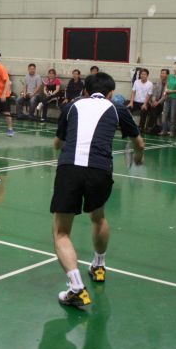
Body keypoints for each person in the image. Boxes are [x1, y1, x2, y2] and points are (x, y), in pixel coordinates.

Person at [51, 72, 144, 308]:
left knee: (61, 232)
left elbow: (57, 143)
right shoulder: (118, 109)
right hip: (100, 170)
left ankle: (76, 288)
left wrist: (61, 146)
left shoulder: (71, 107)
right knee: (98, 217)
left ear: (85, 90)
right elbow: (139, 143)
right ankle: (99, 266)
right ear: (111, 93)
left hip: (70, 168)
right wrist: (138, 158)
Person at [144, 68, 168, 134]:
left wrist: (158, 102)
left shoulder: (169, 84)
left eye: (163, 73)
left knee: (154, 109)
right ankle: (151, 127)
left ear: (167, 75)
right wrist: (154, 101)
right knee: (152, 108)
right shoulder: (158, 84)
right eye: (161, 73)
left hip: (164, 103)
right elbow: (154, 94)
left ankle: (150, 127)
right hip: (156, 103)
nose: (162, 74)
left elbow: (165, 96)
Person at [163, 62, 176, 137]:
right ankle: (164, 131)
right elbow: (166, 85)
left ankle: (172, 131)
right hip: (167, 96)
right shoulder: (170, 76)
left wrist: (171, 91)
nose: (174, 67)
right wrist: (165, 92)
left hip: (175, 97)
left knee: (172, 115)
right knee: (165, 114)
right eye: (173, 66)